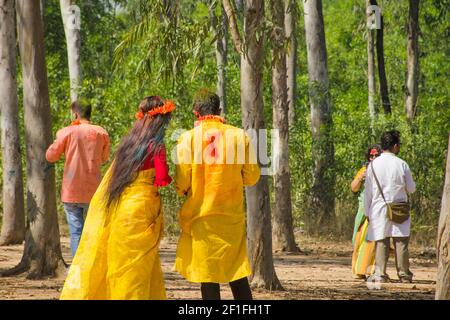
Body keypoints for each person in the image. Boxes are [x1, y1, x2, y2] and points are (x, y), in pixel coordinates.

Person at [60, 96, 174, 299]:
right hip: (142, 211)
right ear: (160, 120)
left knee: (119, 264)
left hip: (120, 210)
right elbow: (163, 178)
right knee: (137, 267)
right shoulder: (157, 146)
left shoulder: (128, 143)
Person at [174, 89, 260, 300]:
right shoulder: (239, 136)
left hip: (202, 218)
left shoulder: (187, 138)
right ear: (219, 110)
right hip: (231, 217)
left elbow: (182, 181)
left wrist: (185, 189)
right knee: (236, 272)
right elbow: (252, 177)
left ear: (196, 113)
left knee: (208, 276)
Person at [46, 99, 110, 257]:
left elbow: (51, 156)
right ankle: (93, 268)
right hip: (94, 191)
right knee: (94, 231)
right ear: (90, 112)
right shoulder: (101, 132)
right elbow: (104, 158)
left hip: (71, 191)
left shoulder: (66, 132)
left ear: (75, 113)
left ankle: (77, 270)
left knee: (76, 233)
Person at [365, 130, 416, 283]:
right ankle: (404, 275)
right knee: (401, 242)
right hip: (399, 207)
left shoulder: (373, 165)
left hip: (379, 208)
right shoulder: (402, 164)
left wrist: (368, 211)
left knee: (382, 240)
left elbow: (368, 192)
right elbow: (411, 188)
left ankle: (380, 274)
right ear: (395, 146)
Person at [350, 144, 381, 279]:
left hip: (378, 210)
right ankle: (357, 270)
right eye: (371, 156)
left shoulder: (384, 170)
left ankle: (369, 270)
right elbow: (353, 188)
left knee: (373, 242)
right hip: (363, 211)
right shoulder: (363, 169)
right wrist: (360, 177)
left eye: (376, 155)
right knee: (358, 240)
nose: (373, 158)